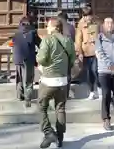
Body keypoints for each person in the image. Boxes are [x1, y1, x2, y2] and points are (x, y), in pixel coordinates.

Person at [36, 18, 75, 148]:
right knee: (60, 108)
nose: (47, 28)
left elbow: (41, 59)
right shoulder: (68, 40)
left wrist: (41, 61)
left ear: (53, 27)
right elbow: (72, 59)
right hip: (63, 80)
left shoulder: (47, 39)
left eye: (48, 26)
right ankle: (60, 137)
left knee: (42, 106)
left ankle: (48, 132)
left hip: (48, 80)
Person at [12, 16, 41, 107]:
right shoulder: (32, 32)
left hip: (18, 58)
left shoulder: (16, 33)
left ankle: (20, 95)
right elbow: (40, 43)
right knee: (28, 79)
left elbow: (13, 43)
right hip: (28, 58)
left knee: (19, 78)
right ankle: (28, 99)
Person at [75, 7, 101, 99]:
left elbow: (101, 35)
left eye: (89, 15)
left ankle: (99, 89)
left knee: (95, 70)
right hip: (85, 51)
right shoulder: (80, 25)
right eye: (86, 16)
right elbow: (78, 40)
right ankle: (91, 91)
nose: (88, 18)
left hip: (96, 51)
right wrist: (80, 53)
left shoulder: (97, 22)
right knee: (88, 72)